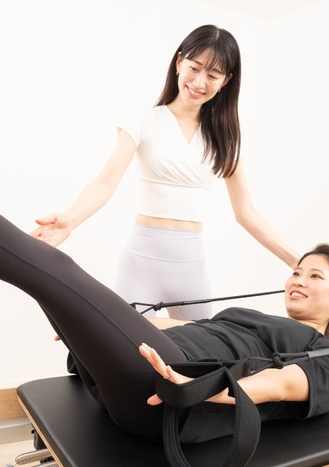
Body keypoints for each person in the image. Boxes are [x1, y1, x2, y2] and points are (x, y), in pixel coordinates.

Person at [0, 48, 329, 445]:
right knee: (50, 279)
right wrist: (97, 323)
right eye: (299, 269)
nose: (298, 278)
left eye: (315, 276)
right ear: (180, 64)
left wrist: (198, 389)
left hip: (174, 391)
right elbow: (174, 324)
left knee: (49, 270)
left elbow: (279, 385)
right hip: (151, 357)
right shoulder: (251, 316)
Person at [30, 25, 300, 320]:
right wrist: (69, 219)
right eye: (194, 68)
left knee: (201, 349)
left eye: (213, 75)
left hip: (192, 269)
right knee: (129, 346)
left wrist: (297, 262)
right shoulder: (144, 121)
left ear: (226, 80)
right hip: (141, 267)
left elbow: (245, 212)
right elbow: (105, 182)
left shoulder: (227, 138)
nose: (199, 82)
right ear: (179, 62)